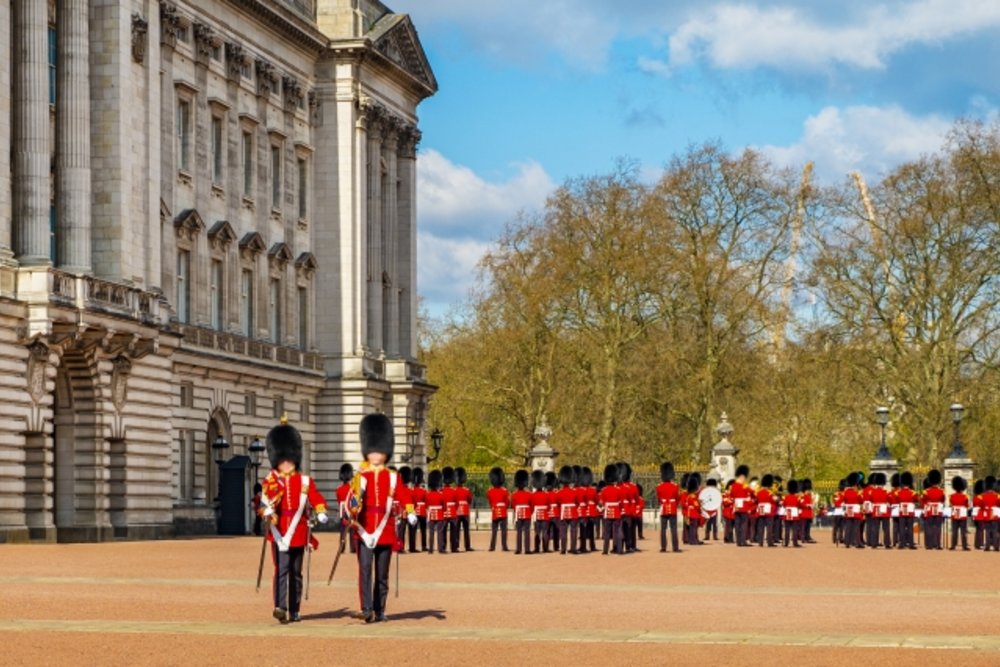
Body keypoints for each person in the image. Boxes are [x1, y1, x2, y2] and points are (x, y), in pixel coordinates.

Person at [258, 417, 329, 624]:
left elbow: (315, 497)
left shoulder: (305, 481)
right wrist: (266, 510)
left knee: (296, 573)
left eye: (288, 459)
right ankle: (280, 606)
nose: (286, 463)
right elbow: (262, 506)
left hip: (298, 531)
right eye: (282, 459)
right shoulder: (270, 482)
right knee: (281, 570)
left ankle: (295, 609)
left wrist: (321, 510)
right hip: (279, 530)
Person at [352, 412, 416, 623]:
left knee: (382, 575)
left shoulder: (392, 476)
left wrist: (411, 510)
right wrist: (353, 504)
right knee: (365, 571)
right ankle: (366, 608)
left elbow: (403, 494)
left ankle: (380, 609)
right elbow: (350, 501)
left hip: (385, 530)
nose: (376, 455)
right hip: (365, 529)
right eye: (373, 451)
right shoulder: (360, 476)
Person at [656, 462, 681, 553]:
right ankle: (675, 547)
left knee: (663, 529)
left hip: (663, 509)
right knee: (673, 529)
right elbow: (678, 498)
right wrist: (675, 504)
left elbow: (658, 498)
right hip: (673, 508)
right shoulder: (675, 486)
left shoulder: (659, 487)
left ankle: (663, 547)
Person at [599, 464, 623, 555]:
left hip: (607, 512)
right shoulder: (618, 490)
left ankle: (605, 550)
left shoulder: (603, 490)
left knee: (607, 532)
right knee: (617, 531)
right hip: (616, 511)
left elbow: (602, 502)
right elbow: (621, 502)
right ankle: (619, 549)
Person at [486, 466, 511, 552]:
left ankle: (492, 546)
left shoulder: (489, 491)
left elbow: (490, 501)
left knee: (494, 530)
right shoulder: (505, 490)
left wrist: (493, 507)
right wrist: (505, 507)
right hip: (503, 511)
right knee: (504, 530)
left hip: (495, 511)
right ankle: (504, 546)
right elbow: (507, 502)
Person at [335, 463, 356, 554]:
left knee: (343, 531)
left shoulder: (339, 489)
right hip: (351, 510)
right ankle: (353, 547)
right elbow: (354, 499)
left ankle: (342, 548)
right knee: (352, 529)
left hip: (342, 510)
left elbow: (339, 500)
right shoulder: (352, 489)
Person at [511, 469, 533, 554]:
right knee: (527, 532)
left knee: (519, 532)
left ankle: (518, 549)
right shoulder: (529, 494)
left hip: (518, 513)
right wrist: (530, 513)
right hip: (527, 513)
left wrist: (516, 512)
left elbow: (513, 505)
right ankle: (527, 549)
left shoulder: (514, 494)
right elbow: (532, 505)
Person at [731, 465, 752, 547]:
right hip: (743, 506)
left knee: (737, 524)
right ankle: (743, 541)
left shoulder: (733, 486)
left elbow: (732, 495)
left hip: (736, 506)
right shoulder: (745, 486)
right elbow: (752, 493)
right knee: (743, 524)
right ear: (742, 476)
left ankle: (738, 541)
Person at [455, 467, 474, 551]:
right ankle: (467, 546)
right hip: (465, 510)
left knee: (457, 530)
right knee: (466, 530)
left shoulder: (454, 490)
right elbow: (469, 500)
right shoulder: (467, 490)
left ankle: (456, 546)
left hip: (457, 510)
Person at [426, 469, 444, 554]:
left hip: (431, 514)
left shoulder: (428, 494)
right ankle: (440, 548)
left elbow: (426, 505)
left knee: (431, 532)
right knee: (440, 532)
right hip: (439, 514)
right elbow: (443, 505)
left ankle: (430, 549)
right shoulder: (440, 494)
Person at [949, 475, 970, 551]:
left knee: (954, 531)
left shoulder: (951, 496)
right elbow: (967, 505)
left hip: (955, 515)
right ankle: (964, 546)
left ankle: (953, 545)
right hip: (963, 515)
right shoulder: (965, 496)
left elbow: (951, 504)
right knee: (963, 531)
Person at [411, 467, 428, 552]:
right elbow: (426, 502)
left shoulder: (411, 491)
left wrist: (410, 513)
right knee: (423, 530)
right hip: (422, 511)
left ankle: (412, 547)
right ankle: (424, 546)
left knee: (412, 531)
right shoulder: (423, 491)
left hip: (413, 511)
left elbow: (409, 502)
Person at [781, 479, 801, 548]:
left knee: (787, 529)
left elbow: (783, 505)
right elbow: (799, 505)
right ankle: (795, 543)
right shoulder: (797, 498)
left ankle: (786, 543)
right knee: (794, 529)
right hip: (794, 513)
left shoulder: (785, 497)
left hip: (787, 513)